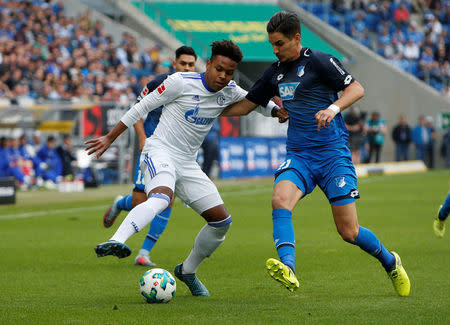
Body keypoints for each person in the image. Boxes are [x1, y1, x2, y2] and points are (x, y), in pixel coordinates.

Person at [225, 11, 410, 296]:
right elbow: (246, 105)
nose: (274, 50)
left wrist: (333, 108)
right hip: (299, 155)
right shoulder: (274, 72)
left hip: (333, 154)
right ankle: (289, 268)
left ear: (296, 38)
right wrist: (203, 111)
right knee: (279, 199)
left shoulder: (320, 61)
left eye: (279, 44)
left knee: (349, 232)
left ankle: (390, 261)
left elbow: (357, 88)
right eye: (271, 44)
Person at [85, 40, 287, 296]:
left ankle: (187, 270)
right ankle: (116, 240)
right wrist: (109, 137)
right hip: (159, 151)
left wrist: (276, 111)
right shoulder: (179, 81)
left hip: (187, 163)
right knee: (160, 199)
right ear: (210, 63)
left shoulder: (229, 90)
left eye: (229, 72)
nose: (223, 76)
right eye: (220, 69)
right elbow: (141, 107)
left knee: (221, 222)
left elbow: (254, 101)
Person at [102, 46, 198, 267]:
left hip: (174, 152)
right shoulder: (158, 83)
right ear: (174, 64)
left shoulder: (196, 87)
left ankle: (144, 253)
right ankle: (120, 203)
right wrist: (142, 138)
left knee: (166, 201)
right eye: (182, 63)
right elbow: (136, 109)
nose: (186, 68)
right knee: (140, 202)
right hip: (152, 148)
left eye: (190, 65)